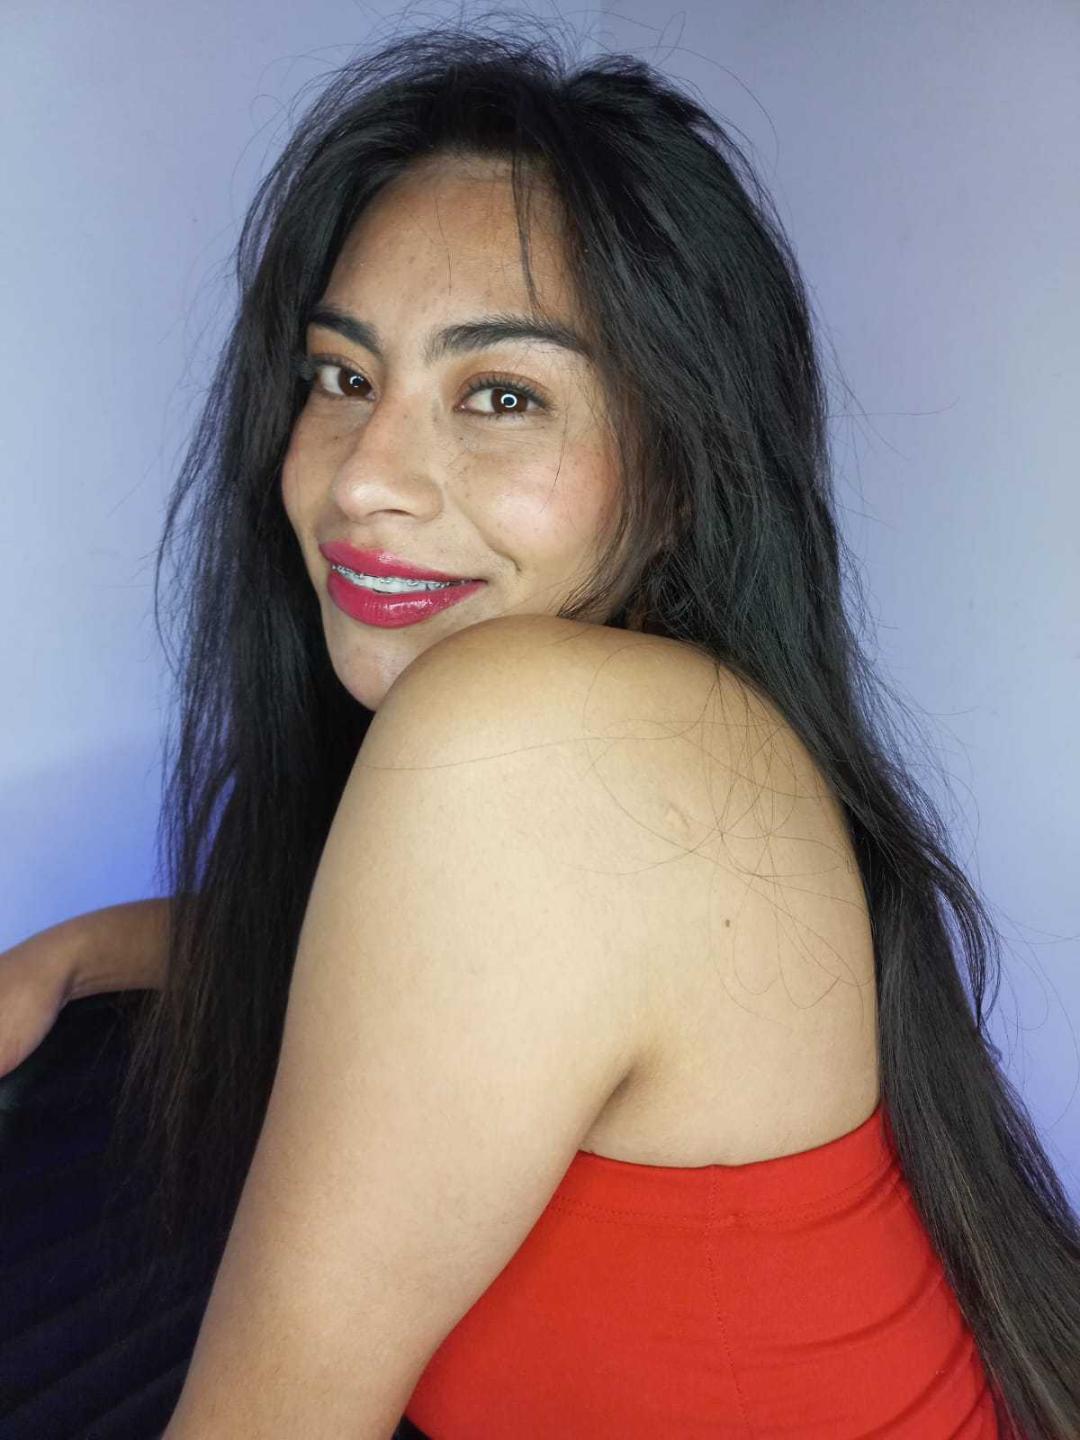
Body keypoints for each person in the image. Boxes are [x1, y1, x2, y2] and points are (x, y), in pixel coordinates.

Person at [1, 14, 1076, 1437]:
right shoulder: (683, 734)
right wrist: (81, 951)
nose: (363, 479)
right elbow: (371, 977)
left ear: (680, 473)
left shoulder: (536, 735)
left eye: (501, 395)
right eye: (343, 376)